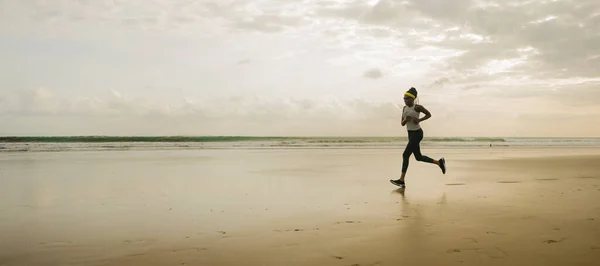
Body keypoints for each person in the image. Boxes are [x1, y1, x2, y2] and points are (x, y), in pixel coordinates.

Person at [391, 87, 446, 188]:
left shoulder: (417, 107)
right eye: (404, 98)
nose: (405, 100)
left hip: (417, 133)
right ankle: (439, 162)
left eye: (407, 98)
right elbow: (402, 124)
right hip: (410, 134)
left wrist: (419, 120)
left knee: (405, 154)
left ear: (412, 99)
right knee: (418, 157)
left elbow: (429, 114)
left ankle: (401, 180)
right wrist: (405, 120)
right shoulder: (404, 108)